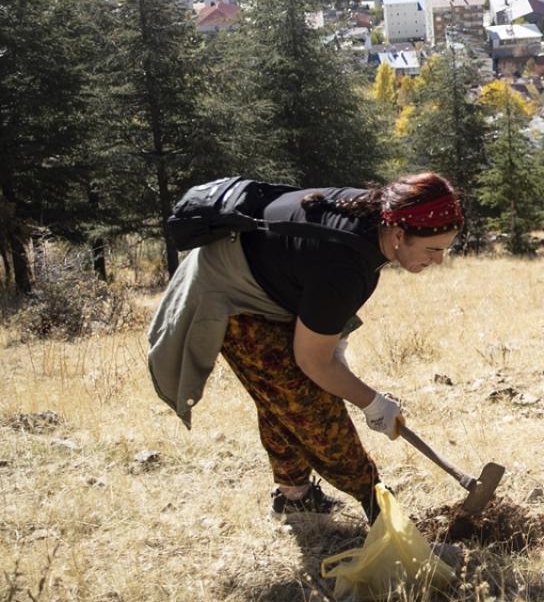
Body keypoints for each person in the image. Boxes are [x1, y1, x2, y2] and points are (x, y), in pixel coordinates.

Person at [147, 173, 463, 522]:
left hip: (272, 285)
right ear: (400, 234)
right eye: (433, 250)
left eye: (445, 250)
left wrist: (337, 347)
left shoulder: (378, 217)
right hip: (230, 293)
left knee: (284, 396)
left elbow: (318, 294)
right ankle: (379, 509)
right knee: (307, 404)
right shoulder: (344, 263)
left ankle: (294, 497)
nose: (438, 261)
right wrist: (372, 403)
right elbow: (312, 361)